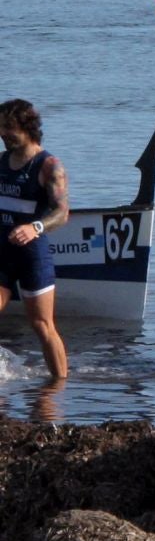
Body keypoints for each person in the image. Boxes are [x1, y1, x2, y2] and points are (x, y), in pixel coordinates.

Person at [0, 100, 69, 380]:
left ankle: (59, 385)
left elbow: (62, 213)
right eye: (1, 128)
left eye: (8, 128)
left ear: (27, 128)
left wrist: (35, 227)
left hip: (32, 255)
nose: (2, 134)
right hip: (2, 253)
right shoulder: (1, 162)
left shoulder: (49, 166)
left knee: (42, 325)